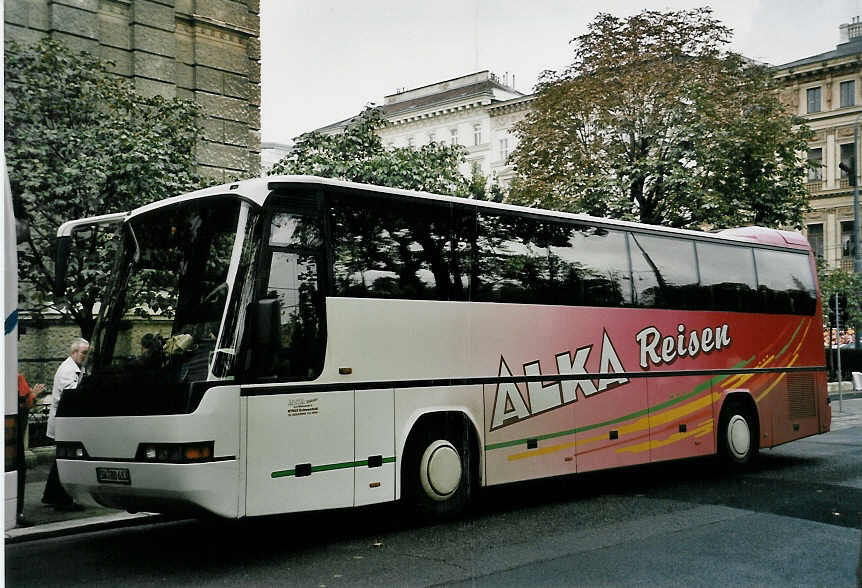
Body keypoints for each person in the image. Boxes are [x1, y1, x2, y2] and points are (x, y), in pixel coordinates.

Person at [41, 338, 89, 511]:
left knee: (61, 460)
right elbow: (73, 395)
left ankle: (53, 496)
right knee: (65, 460)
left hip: (67, 421)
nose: (85, 356)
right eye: (83, 353)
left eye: (87, 353)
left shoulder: (76, 368)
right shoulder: (67, 371)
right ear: (73, 352)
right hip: (64, 422)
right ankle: (60, 499)